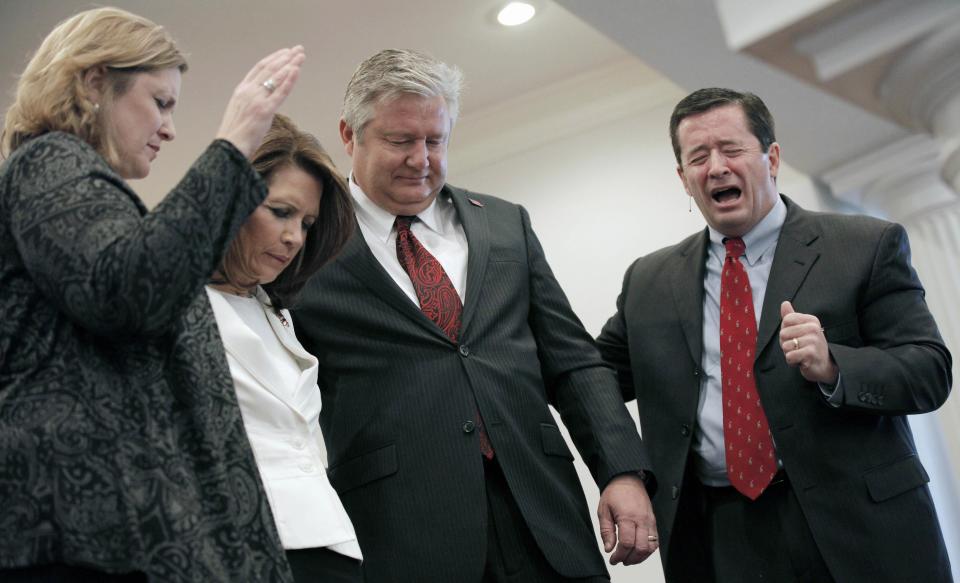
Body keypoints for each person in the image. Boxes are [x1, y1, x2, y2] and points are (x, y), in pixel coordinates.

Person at [290, 48, 656, 583]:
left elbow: (573, 362)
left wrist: (622, 470)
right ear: (350, 136)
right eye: (399, 141)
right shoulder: (305, 244)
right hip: (405, 532)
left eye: (435, 141)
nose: (421, 159)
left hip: (544, 518)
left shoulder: (506, 225)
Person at [597, 87, 954, 582]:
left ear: (772, 158)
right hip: (723, 537)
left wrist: (834, 365)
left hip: (861, 529)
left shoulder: (864, 246)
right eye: (698, 157)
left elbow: (929, 371)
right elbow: (591, 381)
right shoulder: (648, 282)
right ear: (684, 179)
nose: (716, 167)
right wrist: (624, 473)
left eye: (731, 149)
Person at [0, 7, 305, 582]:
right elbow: (129, 292)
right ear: (94, 83)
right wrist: (236, 139)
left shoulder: (93, 195)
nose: (169, 127)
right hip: (79, 537)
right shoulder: (47, 161)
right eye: (160, 102)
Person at [204, 114, 361, 582]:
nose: (295, 237)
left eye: (307, 222)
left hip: (332, 541)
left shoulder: (278, 313)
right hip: (241, 546)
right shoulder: (173, 307)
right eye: (280, 212)